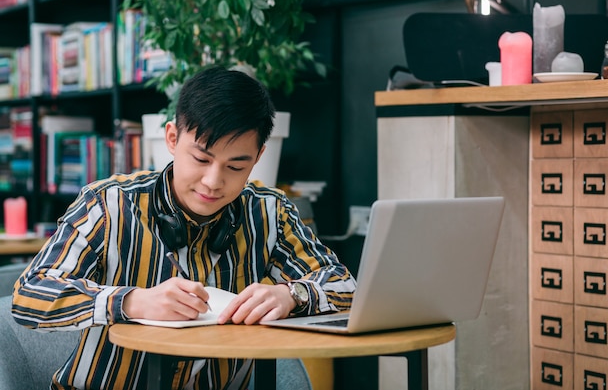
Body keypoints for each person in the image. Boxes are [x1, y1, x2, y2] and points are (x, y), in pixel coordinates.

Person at [12, 66, 356, 390]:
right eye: (202, 159)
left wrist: (291, 294)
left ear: (258, 156)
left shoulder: (269, 211)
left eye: (236, 166)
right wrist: (131, 301)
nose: (213, 181)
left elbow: (346, 287)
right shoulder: (109, 204)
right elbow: (30, 295)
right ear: (172, 138)